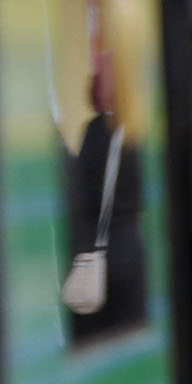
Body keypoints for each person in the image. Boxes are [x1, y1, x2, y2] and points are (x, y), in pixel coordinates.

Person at [66, 52, 149, 345]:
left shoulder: (94, 132)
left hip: (98, 254)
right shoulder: (135, 132)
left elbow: (80, 193)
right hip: (129, 253)